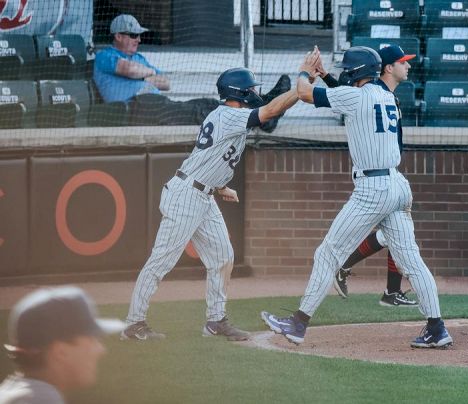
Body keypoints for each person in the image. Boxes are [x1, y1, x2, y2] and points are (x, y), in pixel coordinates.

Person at [261, 46, 453, 348]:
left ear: (354, 72)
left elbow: (304, 92)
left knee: (327, 254)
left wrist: (305, 72)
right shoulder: (386, 95)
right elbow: (349, 99)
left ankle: (298, 324)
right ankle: (437, 328)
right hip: (398, 184)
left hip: (372, 188)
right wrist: (325, 76)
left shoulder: (357, 96)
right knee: (412, 262)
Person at [122, 67, 299, 341]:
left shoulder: (228, 116)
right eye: (251, 89)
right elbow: (269, 112)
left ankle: (215, 321)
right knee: (161, 262)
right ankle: (134, 324)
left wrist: (220, 187)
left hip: (203, 194)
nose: (255, 93)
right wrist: (301, 88)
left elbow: (210, 157)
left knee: (222, 257)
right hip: (186, 195)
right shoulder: (229, 114)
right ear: (238, 92)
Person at [319, 45, 418, 308]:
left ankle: (390, 291)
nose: (407, 66)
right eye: (402, 62)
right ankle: (358, 275)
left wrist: (325, 76)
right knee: (393, 236)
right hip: (375, 178)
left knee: (393, 236)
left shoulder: (383, 93)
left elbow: (345, 93)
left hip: (390, 175)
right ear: (387, 67)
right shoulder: (373, 92)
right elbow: (346, 95)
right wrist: (321, 77)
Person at [93, 14, 290, 129]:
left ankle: (263, 109)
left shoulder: (139, 58)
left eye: (139, 36)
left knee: (207, 103)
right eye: (134, 35)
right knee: (200, 111)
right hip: (135, 109)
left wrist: (144, 73)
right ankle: (263, 117)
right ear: (118, 36)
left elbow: (165, 82)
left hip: (157, 103)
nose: (139, 40)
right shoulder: (105, 55)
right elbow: (128, 69)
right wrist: (148, 75)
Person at [0, 286, 124, 404]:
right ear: (61, 352)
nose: (100, 349)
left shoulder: (11, 393)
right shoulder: (42, 400)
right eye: (92, 339)